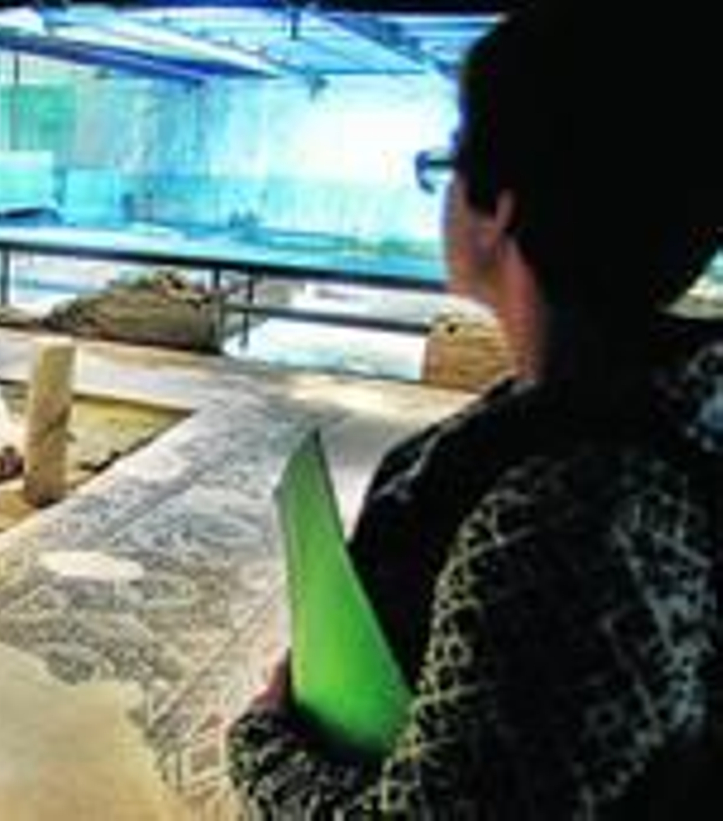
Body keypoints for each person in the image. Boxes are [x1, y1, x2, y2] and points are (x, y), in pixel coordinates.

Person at [227, 4, 721, 816]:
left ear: (499, 208)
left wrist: (262, 739)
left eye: (450, 161)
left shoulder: (565, 516)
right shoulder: (669, 411)